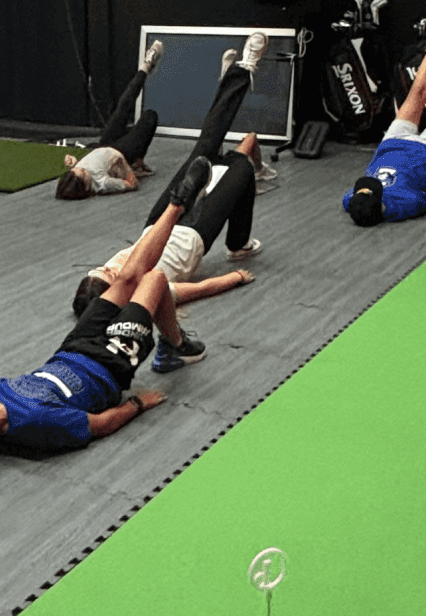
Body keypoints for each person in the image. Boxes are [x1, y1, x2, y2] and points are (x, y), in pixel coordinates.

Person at [0, 195, 197, 473]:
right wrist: (137, 404)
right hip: (108, 365)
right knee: (154, 279)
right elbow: (99, 425)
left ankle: (177, 204)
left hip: (73, 348)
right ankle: (175, 344)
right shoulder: (35, 423)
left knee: (126, 279)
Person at [69, 39, 273, 369]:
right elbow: (196, 290)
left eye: (104, 270)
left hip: (158, 223)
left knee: (205, 148)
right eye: (109, 276)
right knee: (239, 165)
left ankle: (239, 73)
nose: (109, 269)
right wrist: (233, 278)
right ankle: (239, 243)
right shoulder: (143, 292)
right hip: (193, 233)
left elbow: (94, 292)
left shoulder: (98, 281)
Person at [343, 0, 426, 227]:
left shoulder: (351, 200)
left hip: (391, 143)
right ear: (381, 205)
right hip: (424, 151)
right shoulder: (405, 205)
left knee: (418, 90)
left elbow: (352, 198)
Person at [54, 40, 166, 198]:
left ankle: (146, 66)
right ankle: (138, 161)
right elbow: (132, 184)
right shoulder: (102, 183)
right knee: (150, 116)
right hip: (123, 153)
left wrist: (73, 163)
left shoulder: (77, 175)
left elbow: (81, 171)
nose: (83, 169)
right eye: (83, 173)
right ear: (87, 187)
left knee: (123, 107)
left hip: (104, 143)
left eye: (78, 170)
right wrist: (124, 167)